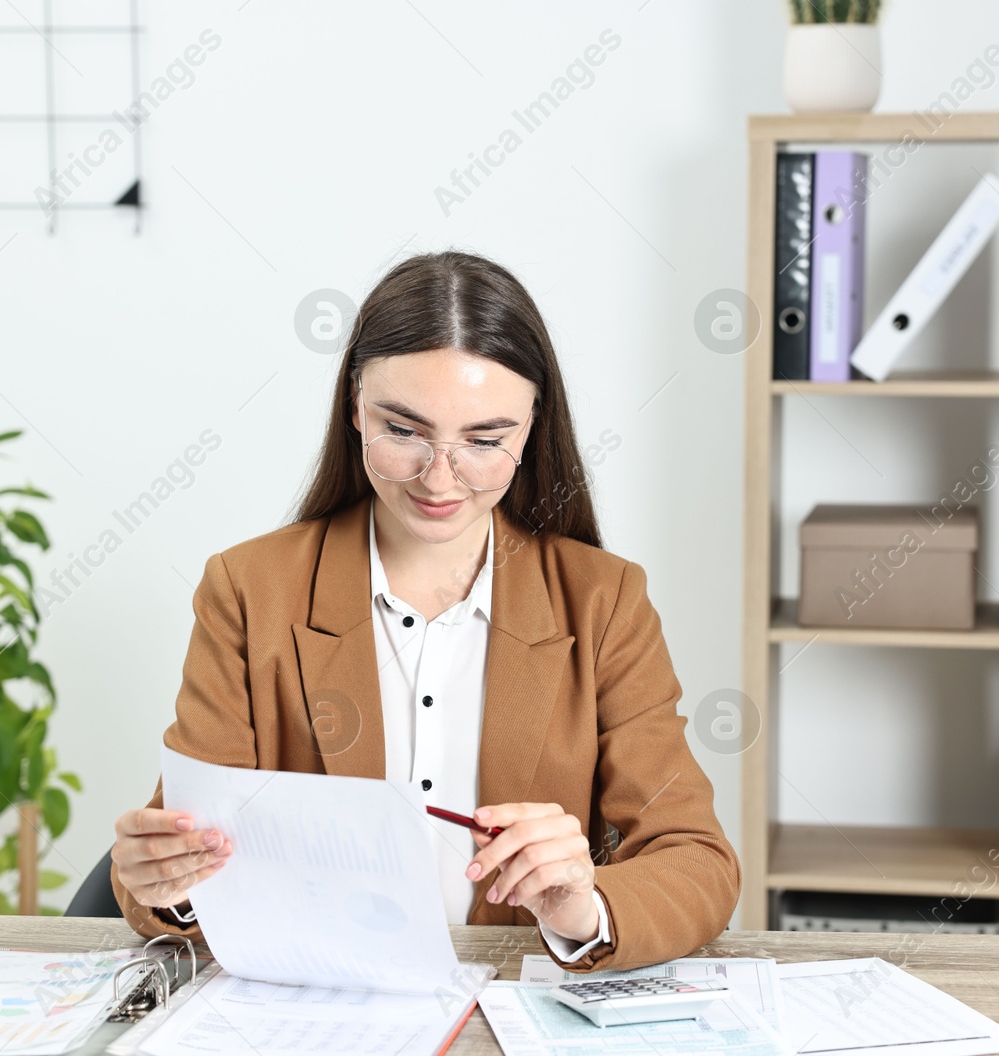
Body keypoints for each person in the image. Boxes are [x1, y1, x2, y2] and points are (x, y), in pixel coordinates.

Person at [109, 250, 740, 971]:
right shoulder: (248, 589)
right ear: (355, 408)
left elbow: (697, 861)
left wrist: (582, 904)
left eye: (484, 439)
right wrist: (169, 882)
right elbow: (170, 864)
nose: (440, 477)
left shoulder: (602, 601)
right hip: (323, 1009)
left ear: (532, 428)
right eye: (403, 430)